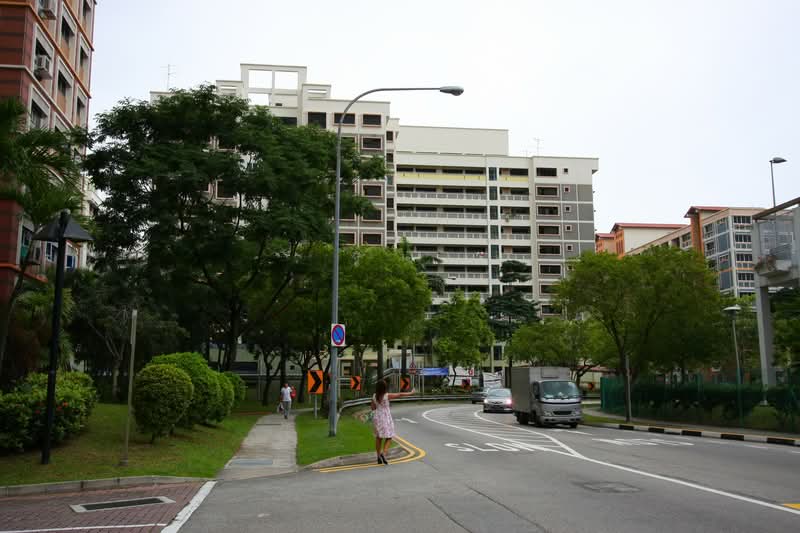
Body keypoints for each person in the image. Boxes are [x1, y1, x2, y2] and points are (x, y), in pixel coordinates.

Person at [371, 379, 415, 465]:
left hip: (377, 417)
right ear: (384, 388)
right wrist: (411, 393)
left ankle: (378, 456)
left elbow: (372, 408)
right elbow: (399, 394)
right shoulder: (386, 396)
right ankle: (384, 453)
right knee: (389, 436)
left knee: (378, 437)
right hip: (386, 417)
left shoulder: (374, 396)